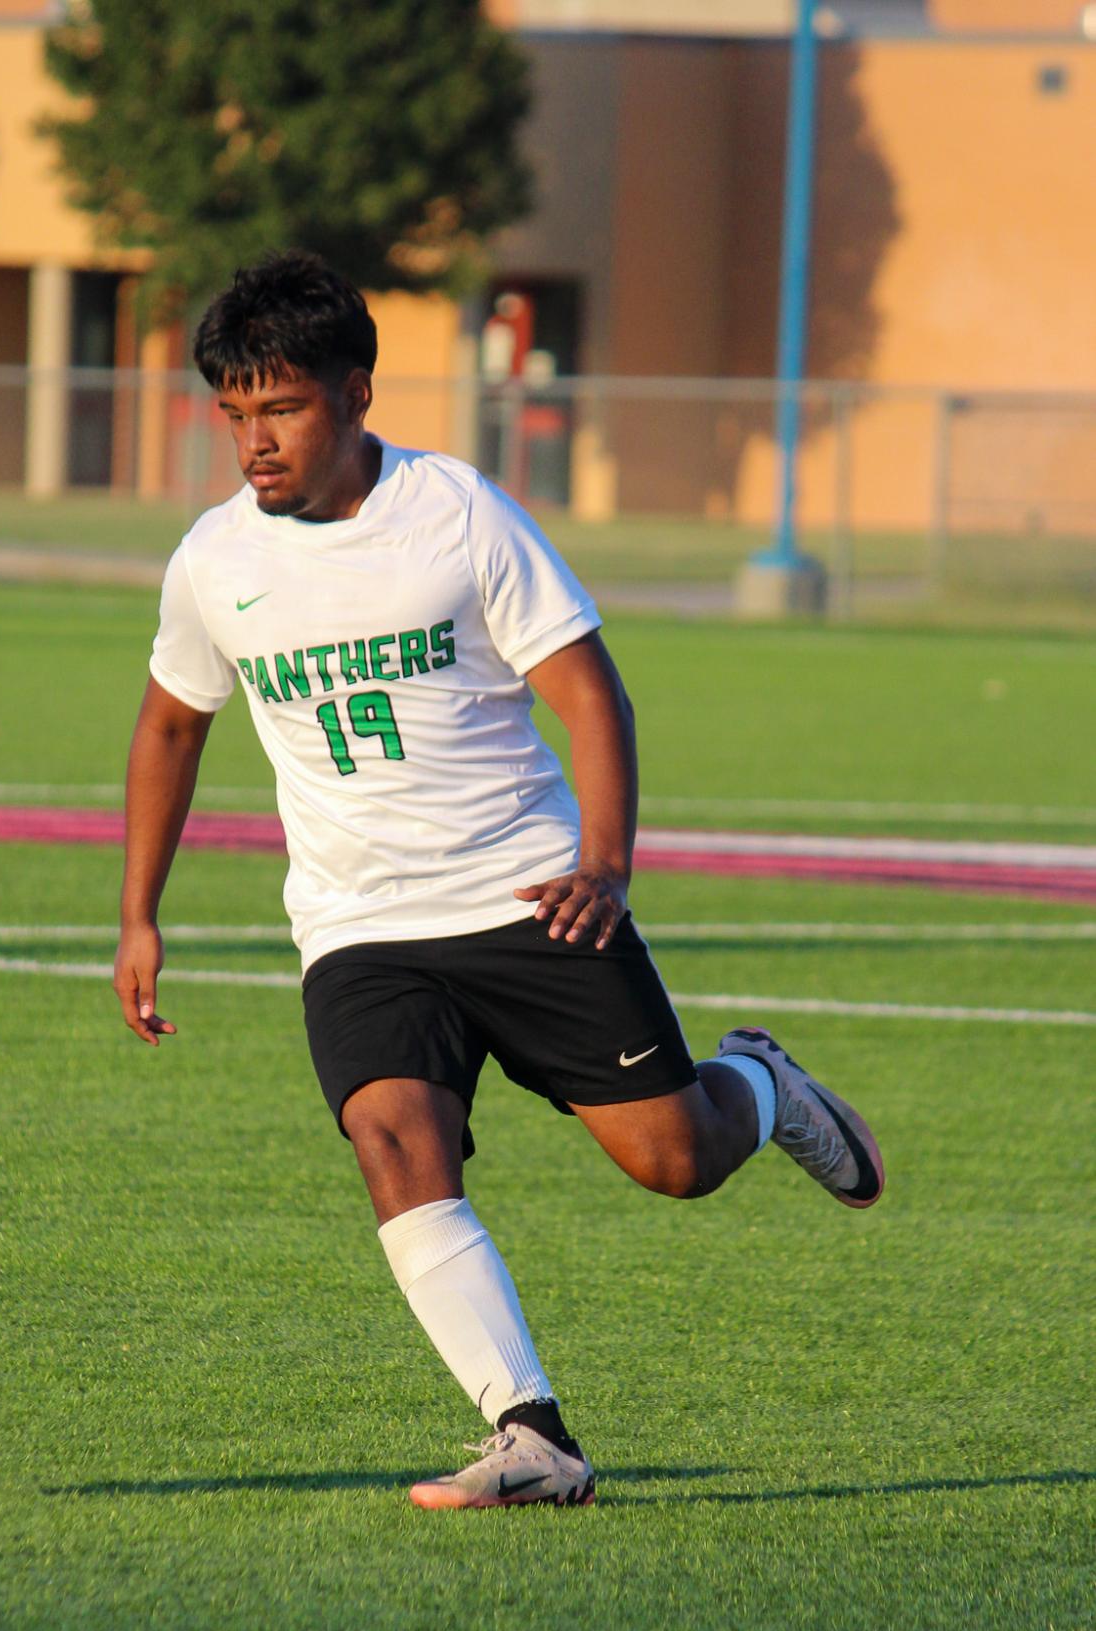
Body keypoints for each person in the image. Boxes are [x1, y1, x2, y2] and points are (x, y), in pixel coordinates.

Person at [114, 252, 884, 1510]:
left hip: (528, 895)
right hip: (359, 926)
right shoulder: (212, 559)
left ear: (356, 393)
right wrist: (139, 913)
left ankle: (761, 1082)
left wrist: (606, 863)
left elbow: (587, 692)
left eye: (282, 407)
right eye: (233, 412)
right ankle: (531, 1434)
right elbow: (168, 727)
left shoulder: (456, 512)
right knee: (391, 1137)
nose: (254, 440)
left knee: (672, 1159)